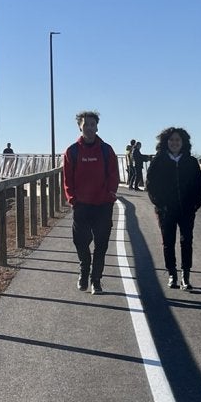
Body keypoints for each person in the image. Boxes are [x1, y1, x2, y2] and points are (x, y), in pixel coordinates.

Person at [62, 110, 120, 295]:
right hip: (82, 205)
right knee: (81, 242)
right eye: (86, 124)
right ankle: (84, 270)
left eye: (92, 124)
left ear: (97, 127)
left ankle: (96, 280)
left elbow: (113, 174)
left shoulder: (106, 150)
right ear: (80, 126)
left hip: (103, 204)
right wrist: (72, 199)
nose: (89, 128)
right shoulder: (72, 151)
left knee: (101, 244)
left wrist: (111, 193)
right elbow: (67, 180)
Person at [145, 125, 201, 290]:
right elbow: (150, 184)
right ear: (166, 142)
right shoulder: (158, 161)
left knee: (187, 241)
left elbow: (199, 184)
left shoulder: (191, 161)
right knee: (168, 242)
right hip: (166, 210)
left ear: (183, 142)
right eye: (171, 140)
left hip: (186, 209)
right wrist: (159, 204)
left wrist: (195, 203)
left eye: (178, 140)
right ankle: (172, 274)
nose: (174, 143)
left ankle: (186, 275)